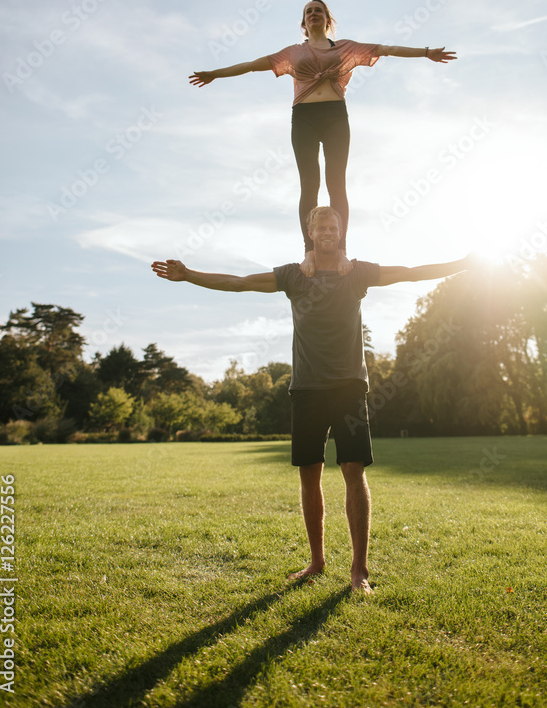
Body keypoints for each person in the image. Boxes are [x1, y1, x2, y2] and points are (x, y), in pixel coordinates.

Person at [151, 205, 473, 593]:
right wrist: (189, 276)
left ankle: (359, 571)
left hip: (349, 386)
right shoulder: (292, 275)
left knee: (354, 471)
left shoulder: (357, 273)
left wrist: (461, 263)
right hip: (305, 388)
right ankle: (317, 562)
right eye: (320, 225)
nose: (327, 231)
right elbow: (239, 283)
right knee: (310, 474)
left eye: (333, 226)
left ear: (341, 232)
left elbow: (407, 273)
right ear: (310, 232)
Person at [189, 0, 456, 277]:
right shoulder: (292, 53)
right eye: (308, 12)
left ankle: (341, 252)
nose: (313, 14)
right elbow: (252, 65)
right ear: (304, 24)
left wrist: (426, 53)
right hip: (303, 118)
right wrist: (215, 75)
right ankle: (309, 253)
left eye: (318, 10)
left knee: (336, 183)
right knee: (310, 185)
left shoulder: (345, 47)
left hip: (335, 116)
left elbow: (386, 49)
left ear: (328, 20)